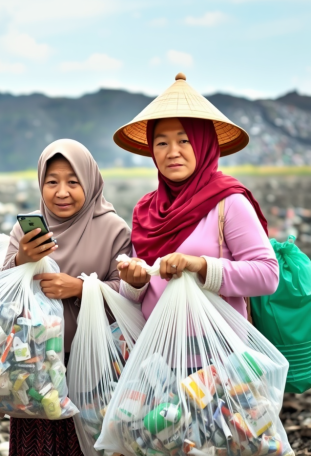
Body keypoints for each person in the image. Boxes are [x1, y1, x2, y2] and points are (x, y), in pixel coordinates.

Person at [2, 139, 132, 456]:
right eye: (52, 182)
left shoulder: (113, 229)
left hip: (94, 367)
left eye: (73, 182)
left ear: (89, 180)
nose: (62, 192)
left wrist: (79, 288)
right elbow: (0, 293)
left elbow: (130, 295)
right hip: (36, 367)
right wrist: (21, 260)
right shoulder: (27, 230)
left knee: (92, 445)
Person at [114, 73, 278, 318]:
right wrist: (134, 280)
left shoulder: (228, 202)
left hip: (218, 351)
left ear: (204, 144)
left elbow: (267, 276)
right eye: (161, 143)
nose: (172, 152)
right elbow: (139, 293)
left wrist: (200, 265)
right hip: (159, 349)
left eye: (184, 140)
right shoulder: (146, 209)